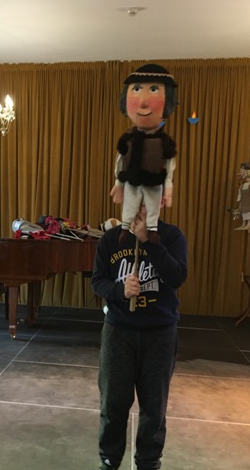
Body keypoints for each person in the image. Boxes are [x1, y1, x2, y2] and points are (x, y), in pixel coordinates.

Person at [91, 201, 187, 470]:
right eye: (136, 200)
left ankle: (148, 462)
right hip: (118, 332)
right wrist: (120, 291)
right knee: (113, 404)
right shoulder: (111, 239)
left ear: (161, 202)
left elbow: (177, 277)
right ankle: (109, 460)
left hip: (160, 334)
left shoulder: (172, 236)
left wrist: (147, 241)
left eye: (148, 201)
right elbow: (98, 281)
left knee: (154, 408)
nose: (140, 208)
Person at [110, 63, 178, 242]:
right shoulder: (128, 139)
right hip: (132, 179)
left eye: (154, 89)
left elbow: (169, 164)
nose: (143, 101)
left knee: (153, 205)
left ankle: (152, 229)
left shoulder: (164, 142)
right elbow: (121, 160)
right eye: (137, 89)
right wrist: (119, 183)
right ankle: (125, 227)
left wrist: (168, 187)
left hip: (154, 180)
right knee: (130, 204)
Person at [232, 162, 250, 231]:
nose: (240, 174)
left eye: (242, 172)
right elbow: (240, 198)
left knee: (249, 213)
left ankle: (249, 223)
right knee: (244, 212)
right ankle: (244, 223)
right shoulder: (241, 186)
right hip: (244, 206)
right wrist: (239, 208)